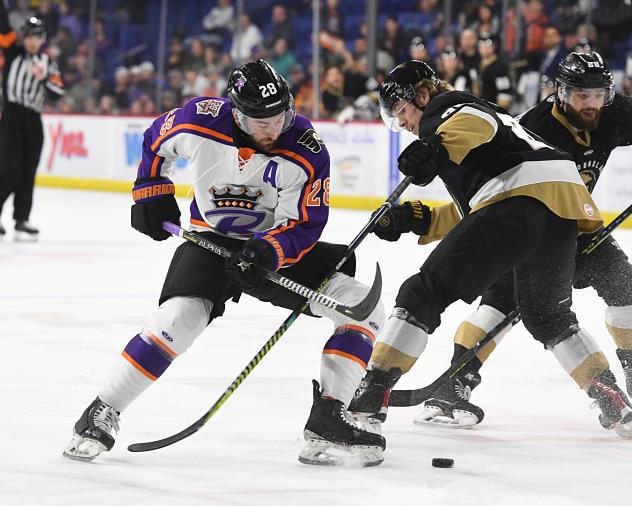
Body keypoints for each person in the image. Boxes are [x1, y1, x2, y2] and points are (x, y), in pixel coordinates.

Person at [62, 60, 386, 467]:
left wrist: (269, 251)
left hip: (272, 250)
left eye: (280, 116)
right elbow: (153, 140)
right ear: (235, 112)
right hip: (210, 240)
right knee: (179, 318)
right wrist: (151, 192)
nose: (272, 128)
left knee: (364, 307)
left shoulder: (306, 147)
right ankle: (101, 411)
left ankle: (328, 416)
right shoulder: (199, 119)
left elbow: (305, 223)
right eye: (259, 121)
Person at [348, 59, 632, 439]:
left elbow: (473, 126)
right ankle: (611, 398)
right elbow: (475, 205)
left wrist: (436, 144)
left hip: (519, 206)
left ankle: (369, 396)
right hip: (564, 213)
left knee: (425, 292)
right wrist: (417, 219)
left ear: (423, 94)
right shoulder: (509, 124)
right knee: (548, 317)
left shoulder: (445, 109)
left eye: (401, 112)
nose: (402, 124)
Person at [0, 4, 64, 240]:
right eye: (29, 37)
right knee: (9, 171)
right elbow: (4, 27)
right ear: (23, 37)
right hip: (11, 118)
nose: (33, 42)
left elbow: (58, 92)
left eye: (38, 38)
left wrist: (44, 77)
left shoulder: (47, 62)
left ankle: (21, 220)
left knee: (28, 172)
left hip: (33, 121)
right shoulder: (12, 51)